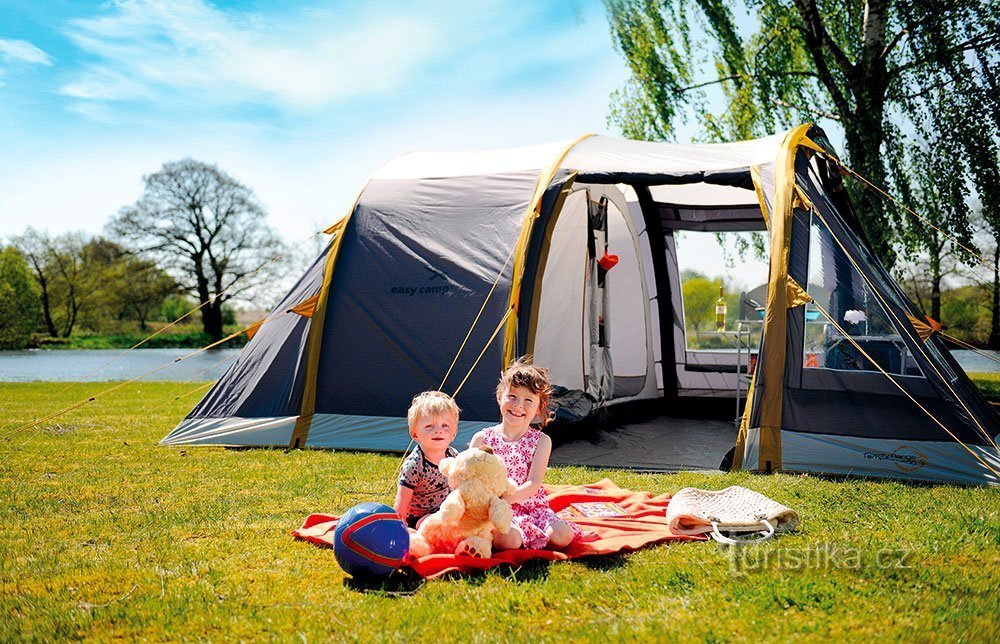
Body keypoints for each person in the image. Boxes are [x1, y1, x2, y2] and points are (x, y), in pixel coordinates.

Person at [469, 358, 581, 550]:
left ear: (539, 407)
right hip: (494, 510)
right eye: (512, 396)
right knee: (510, 541)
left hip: (532, 508)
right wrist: (494, 505)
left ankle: (523, 534)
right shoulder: (482, 439)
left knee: (563, 536)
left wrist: (508, 499)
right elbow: (471, 477)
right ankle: (494, 536)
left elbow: (534, 483)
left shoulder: (541, 441)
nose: (518, 405)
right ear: (499, 397)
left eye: (528, 400)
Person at [393, 391, 460, 529]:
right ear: (415, 434)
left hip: (447, 511)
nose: (438, 431)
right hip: (419, 518)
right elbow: (401, 502)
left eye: (445, 425)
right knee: (433, 523)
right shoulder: (415, 464)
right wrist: (398, 527)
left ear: (454, 433)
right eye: (429, 426)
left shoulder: (454, 455)